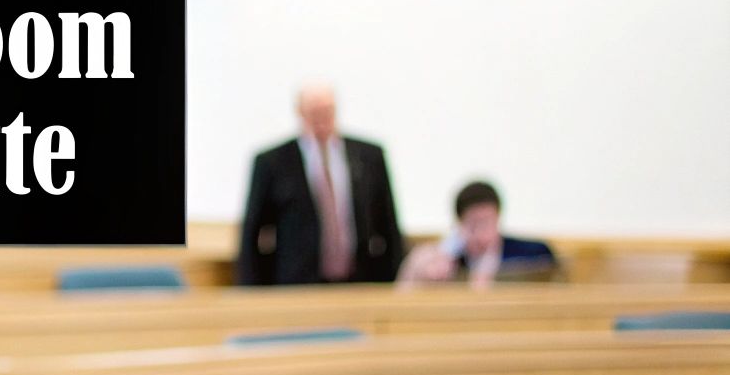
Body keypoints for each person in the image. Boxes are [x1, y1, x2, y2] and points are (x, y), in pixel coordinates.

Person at [236, 84, 406, 285]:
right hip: (297, 282)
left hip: (359, 280)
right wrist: (251, 287)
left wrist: (396, 277)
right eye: (314, 112)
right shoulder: (273, 162)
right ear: (300, 112)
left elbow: (388, 221)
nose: (322, 119)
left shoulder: (369, 156)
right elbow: (252, 230)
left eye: (327, 111)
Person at [398, 180, 558, 286]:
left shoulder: (532, 253)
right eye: (473, 225)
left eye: (488, 223)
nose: (482, 235)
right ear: (459, 225)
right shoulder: (447, 260)